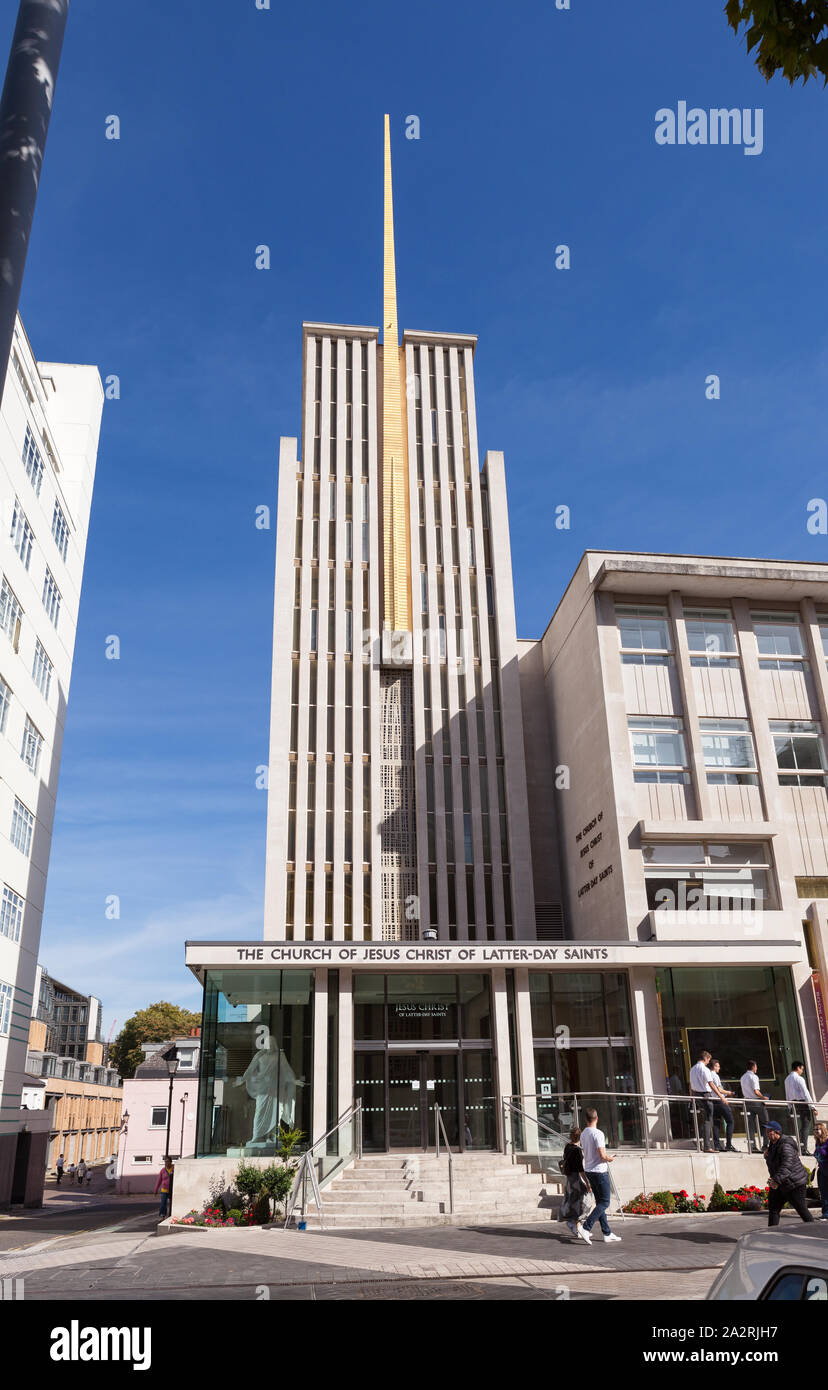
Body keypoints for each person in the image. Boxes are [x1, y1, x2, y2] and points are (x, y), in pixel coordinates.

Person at [579, 1108, 621, 1244]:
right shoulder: (598, 1134)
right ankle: (586, 1227)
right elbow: (602, 1155)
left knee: (599, 1202)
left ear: (586, 1119)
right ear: (597, 1119)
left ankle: (607, 1233)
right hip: (599, 1171)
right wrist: (610, 1158)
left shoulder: (584, 1133)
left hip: (590, 1171)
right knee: (605, 1202)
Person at [763, 1120, 814, 1226]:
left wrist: (776, 1180)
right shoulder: (773, 1145)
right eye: (767, 1131)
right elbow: (775, 1163)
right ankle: (771, 1235)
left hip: (794, 1184)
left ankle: (817, 1231)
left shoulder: (785, 1146)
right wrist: (767, 1155)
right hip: (781, 1183)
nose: (767, 1133)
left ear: (777, 1132)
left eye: (769, 1131)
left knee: (802, 1210)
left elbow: (786, 1166)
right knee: (773, 1209)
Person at [558, 1126, 591, 1243]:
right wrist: (587, 1183)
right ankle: (577, 1227)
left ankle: (574, 1225)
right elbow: (580, 1169)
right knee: (585, 1201)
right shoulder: (577, 1150)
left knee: (574, 1201)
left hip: (569, 1178)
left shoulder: (567, 1147)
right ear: (580, 1137)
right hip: (576, 1179)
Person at [689, 1049, 719, 1153]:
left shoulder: (692, 1069)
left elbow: (691, 1085)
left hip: (696, 1095)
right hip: (705, 1095)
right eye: (708, 1060)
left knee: (705, 1119)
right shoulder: (704, 1069)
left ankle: (705, 1144)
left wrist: (691, 1097)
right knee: (708, 1120)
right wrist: (721, 1096)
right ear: (705, 1058)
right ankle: (707, 1146)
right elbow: (711, 1084)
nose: (708, 1062)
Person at [784, 1062, 815, 1155]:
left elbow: (787, 1094)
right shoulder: (799, 1078)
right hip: (802, 1103)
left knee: (802, 1126)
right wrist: (812, 1106)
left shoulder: (787, 1079)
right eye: (802, 1069)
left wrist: (789, 1106)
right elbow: (805, 1093)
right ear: (798, 1068)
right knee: (805, 1125)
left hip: (794, 1104)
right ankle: (803, 1148)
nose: (802, 1071)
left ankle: (801, 1147)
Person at [740, 1061, 769, 1153]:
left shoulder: (743, 1077)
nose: (756, 1069)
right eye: (756, 1067)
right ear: (753, 1067)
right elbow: (756, 1091)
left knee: (750, 1126)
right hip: (756, 1102)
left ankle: (752, 1146)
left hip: (747, 1102)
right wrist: (763, 1097)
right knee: (766, 1123)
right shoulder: (754, 1077)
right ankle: (765, 1145)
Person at [710, 1060, 738, 1152]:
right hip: (719, 1101)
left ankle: (717, 1145)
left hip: (713, 1102)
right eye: (718, 1066)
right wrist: (730, 1093)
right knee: (730, 1121)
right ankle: (728, 1144)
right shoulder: (715, 1075)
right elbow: (719, 1090)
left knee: (716, 1123)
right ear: (714, 1066)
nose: (719, 1068)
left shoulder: (707, 1074)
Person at [814, 1122, 828, 1221]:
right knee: (823, 1193)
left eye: (817, 1129)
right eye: (814, 1129)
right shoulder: (818, 1142)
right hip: (821, 1171)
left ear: (822, 1130)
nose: (815, 1131)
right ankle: (825, 1214)